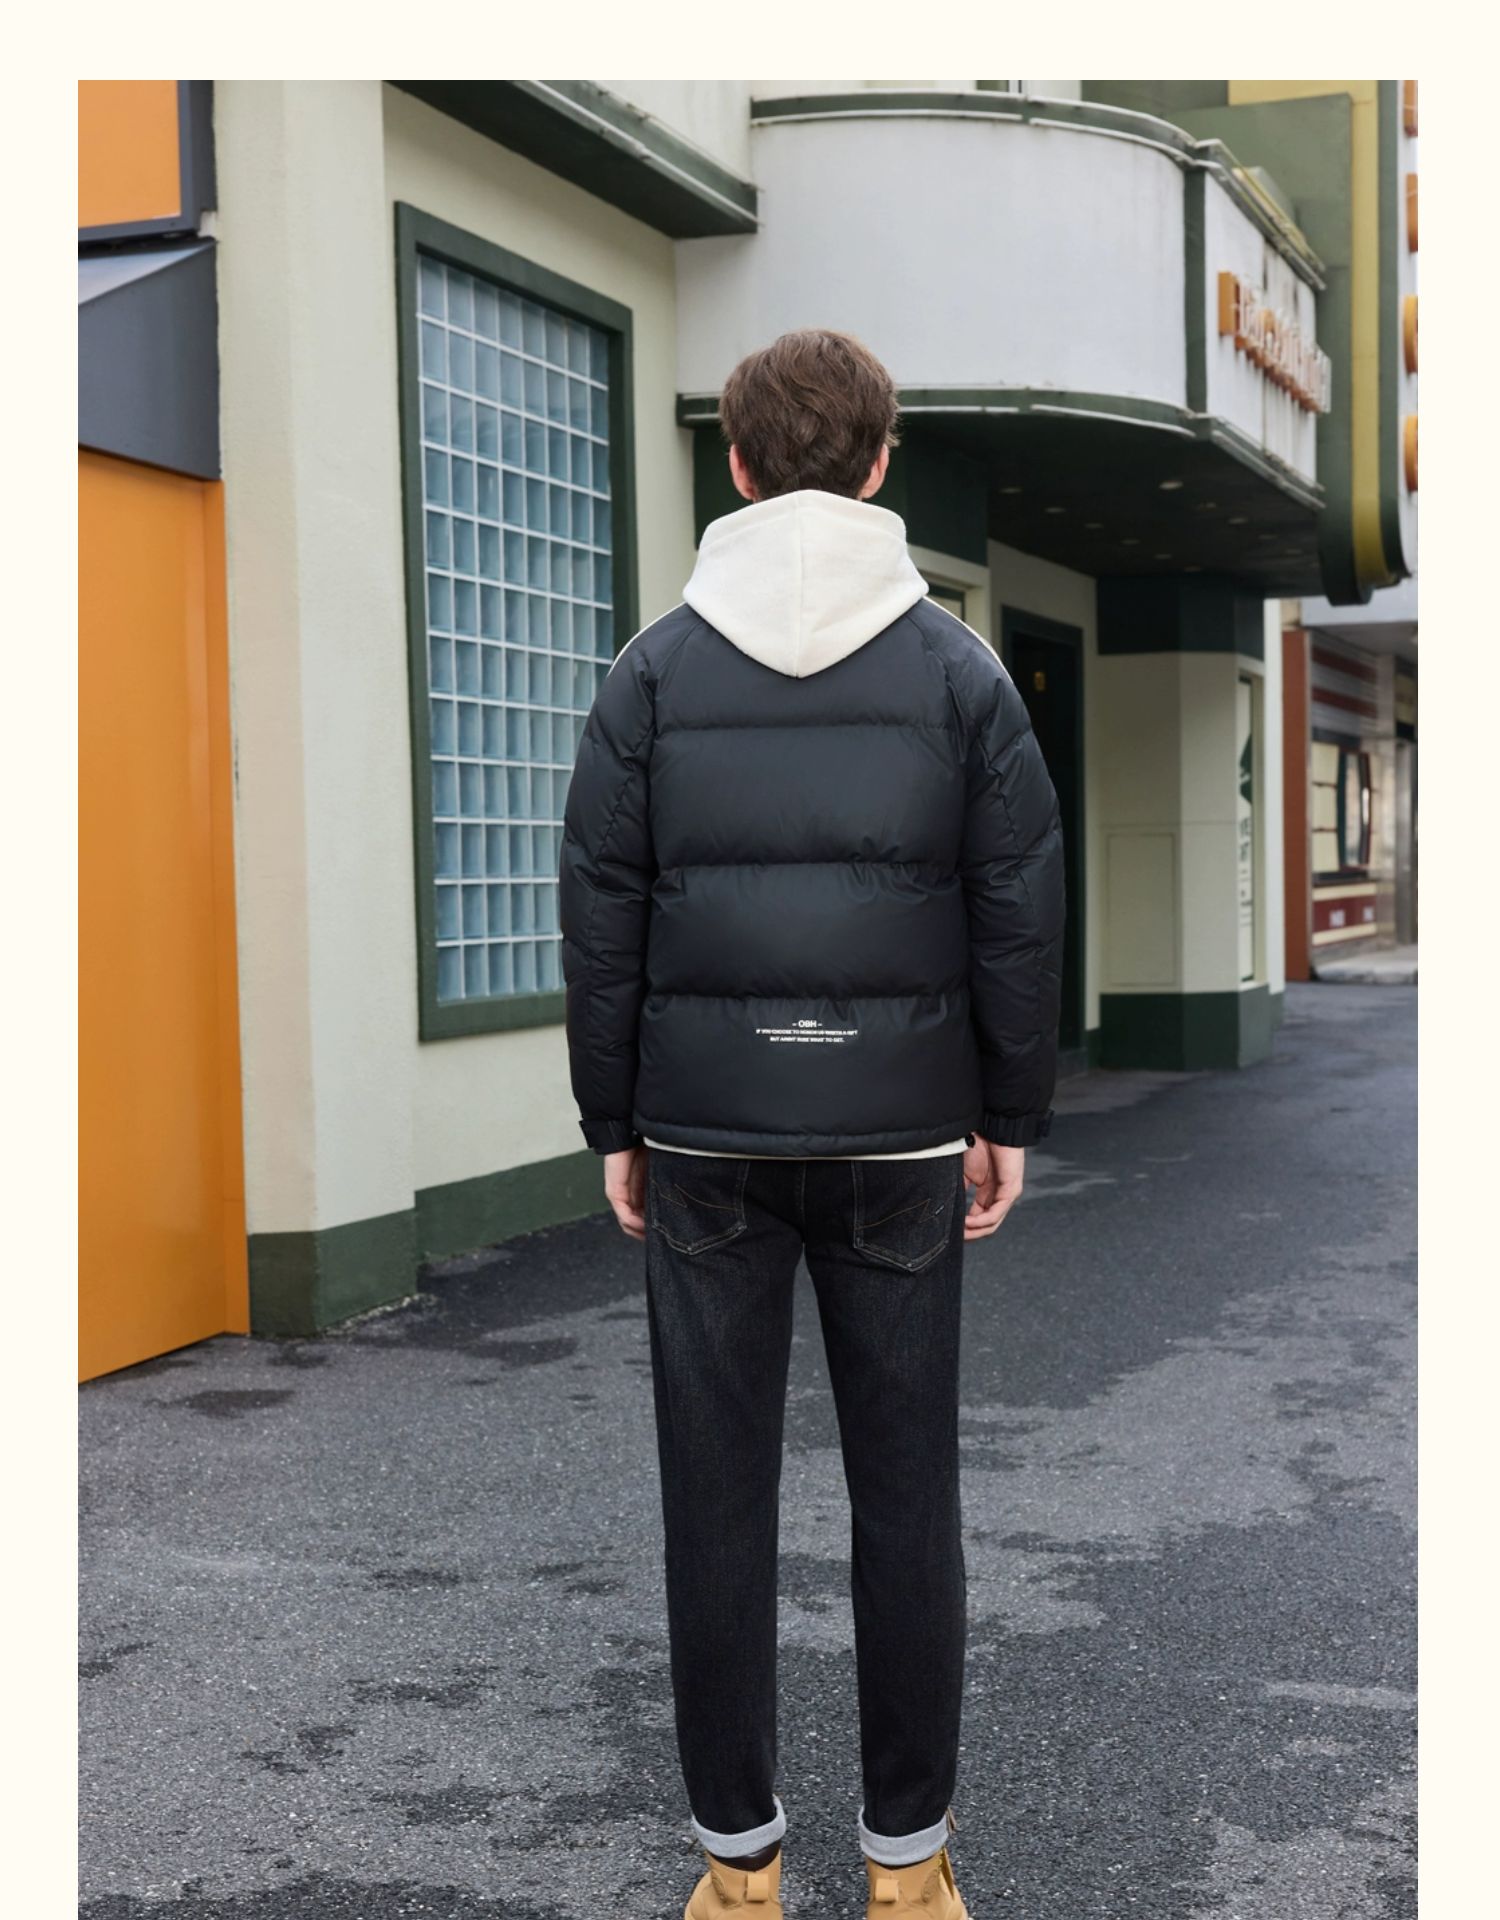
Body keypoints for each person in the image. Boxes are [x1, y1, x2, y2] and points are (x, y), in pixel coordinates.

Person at [560, 328, 1064, 1920]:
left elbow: (602, 911)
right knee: (907, 1503)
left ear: (734, 466)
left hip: (706, 1137)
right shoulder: (961, 674)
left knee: (714, 1502)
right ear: (880, 462)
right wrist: (1008, 1112)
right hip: (902, 1142)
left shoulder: (651, 672)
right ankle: (909, 1880)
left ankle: (739, 1876)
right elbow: (1016, 907)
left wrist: (614, 1119)